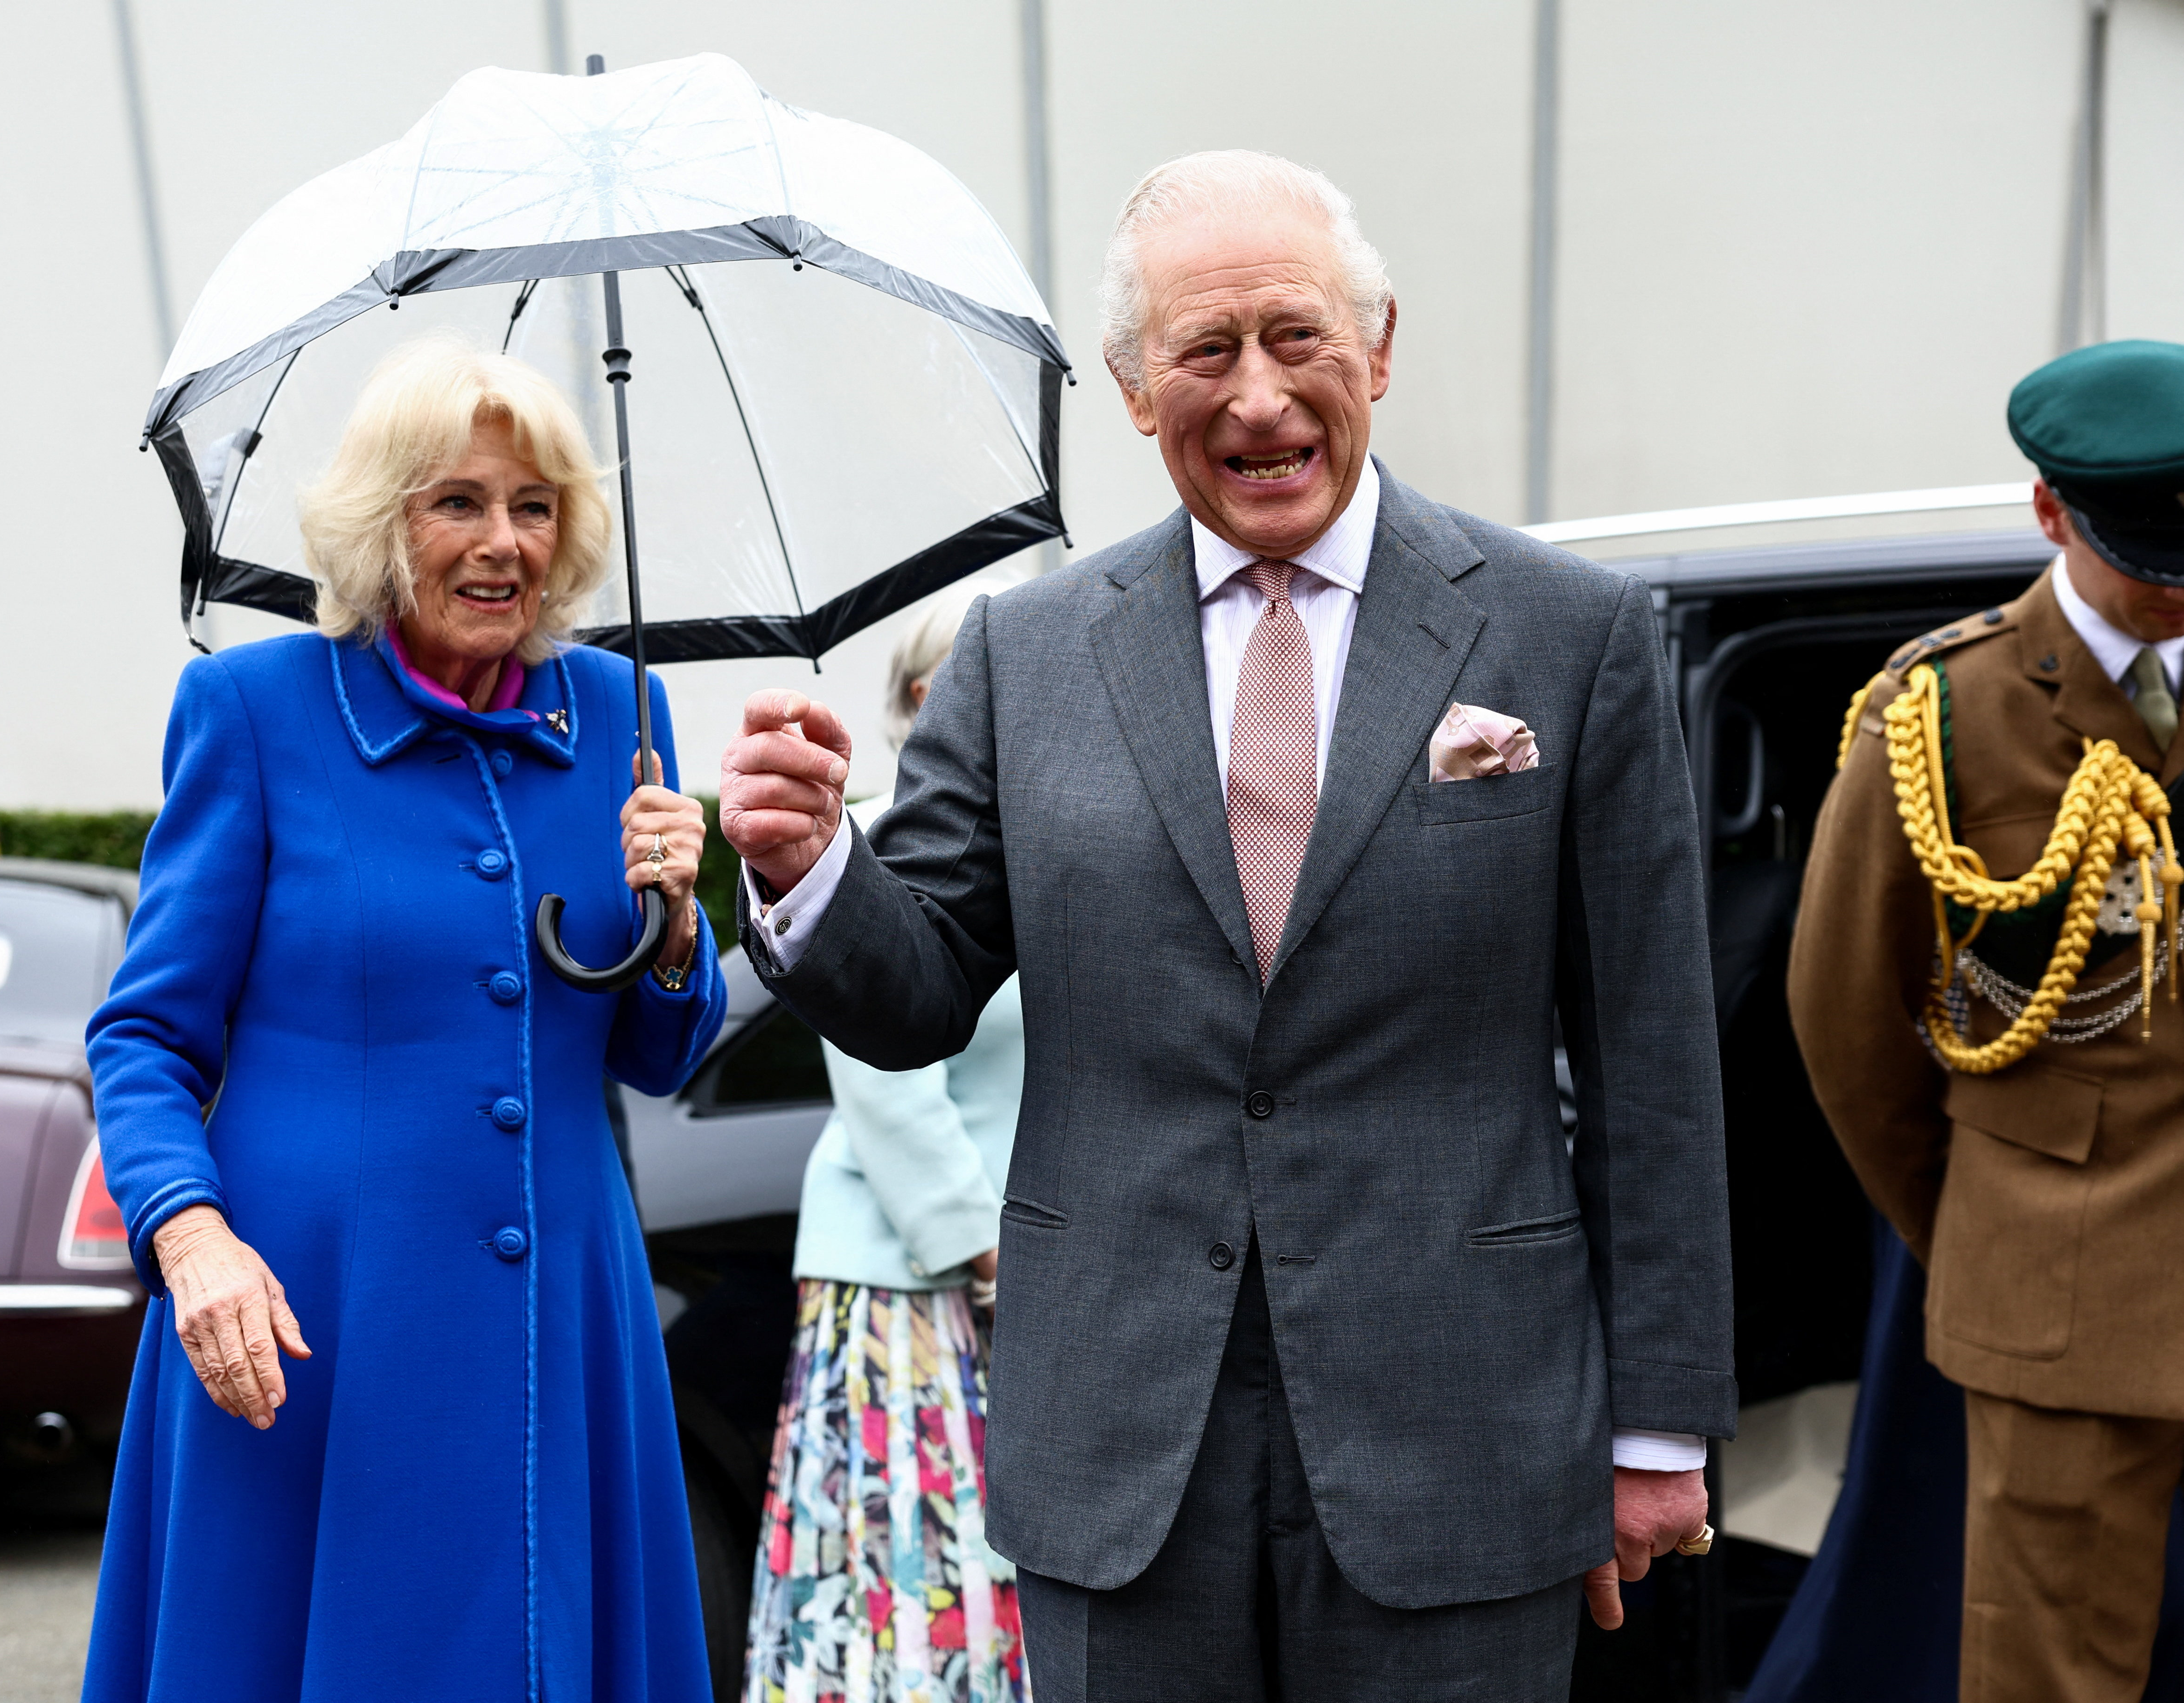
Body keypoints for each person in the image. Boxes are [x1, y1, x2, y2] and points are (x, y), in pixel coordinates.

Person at [717, 150, 1733, 1702]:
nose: (1257, 395)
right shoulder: (1022, 655)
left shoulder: (1565, 634)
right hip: (1122, 1450)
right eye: (1204, 350)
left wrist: (1655, 1430)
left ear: (1376, 348)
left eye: (1295, 336)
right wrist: (806, 871)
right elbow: (915, 990)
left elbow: (1649, 1058)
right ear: (1135, 389)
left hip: (1463, 1428)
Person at [78, 336, 727, 1703]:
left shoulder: (624, 714)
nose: (504, 542)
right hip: (307, 1318)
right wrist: (192, 1241)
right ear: (383, 523)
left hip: (563, 1315)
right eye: (459, 503)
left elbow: (658, 1053)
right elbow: (143, 1041)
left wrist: (679, 920)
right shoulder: (252, 710)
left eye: (535, 506)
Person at [1784, 338, 2184, 1703]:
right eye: (2145, 557)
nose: (2174, 589)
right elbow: (1849, 1032)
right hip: (2061, 1297)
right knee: (2049, 1672)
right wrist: (1995, 1230)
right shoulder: (1940, 715)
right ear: (2050, 514)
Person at [744, 582, 1029, 1703]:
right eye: (966, 681)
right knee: (909, 1590)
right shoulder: (868, 836)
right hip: (910, 1283)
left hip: (1038, 1279)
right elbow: (883, 1084)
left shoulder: (1050, 841)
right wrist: (986, 1252)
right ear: (917, 700)